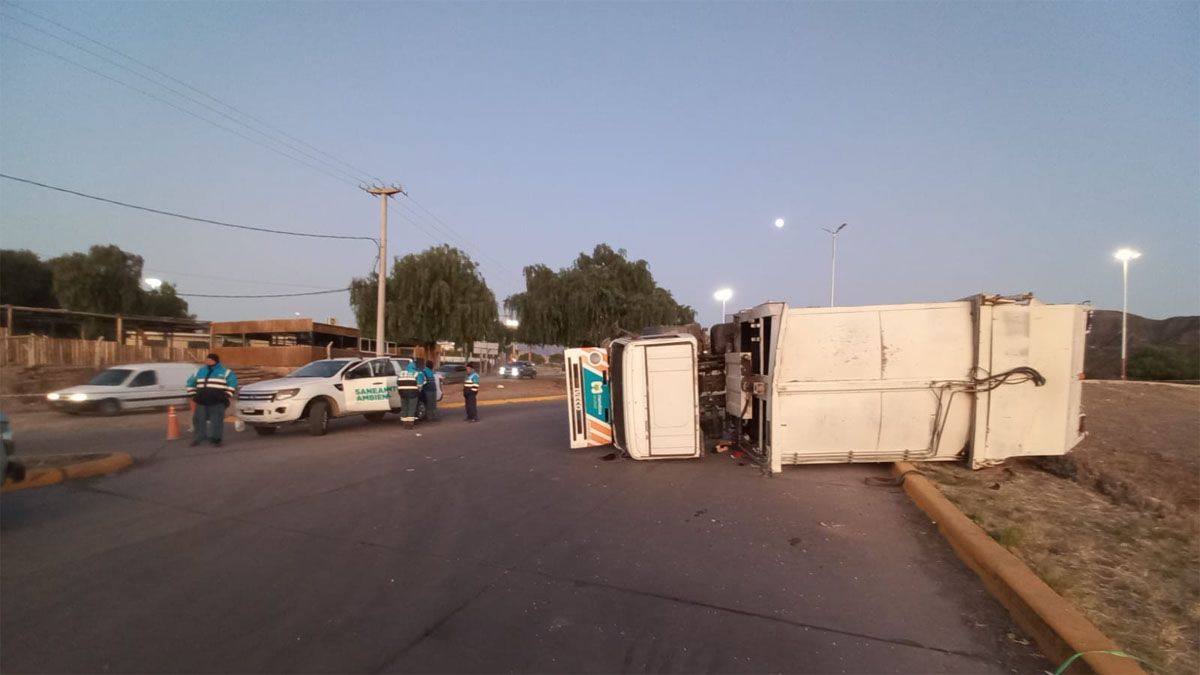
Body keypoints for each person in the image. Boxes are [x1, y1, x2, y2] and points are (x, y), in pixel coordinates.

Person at [186, 353, 237, 447]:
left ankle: (216, 440)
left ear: (214, 361)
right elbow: (190, 383)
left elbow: (232, 384)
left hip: (217, 402)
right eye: (206, 359)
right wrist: (193, 395)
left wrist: (226, 396)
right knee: (198, 420)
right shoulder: (200, 371)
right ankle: (199, 438)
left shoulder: (226, 372)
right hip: (201, 401)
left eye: (209, 359)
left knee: (216, 421)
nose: (207, 361)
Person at [397, 359, 420, 429]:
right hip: (412, 393)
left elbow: (397, 382)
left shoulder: (401, 373)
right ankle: (409, 425)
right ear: (414, 366)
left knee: (404, 408)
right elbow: (420, 384)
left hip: (402, 393)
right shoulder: (416, 373)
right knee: (411, 408)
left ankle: (404, 424)